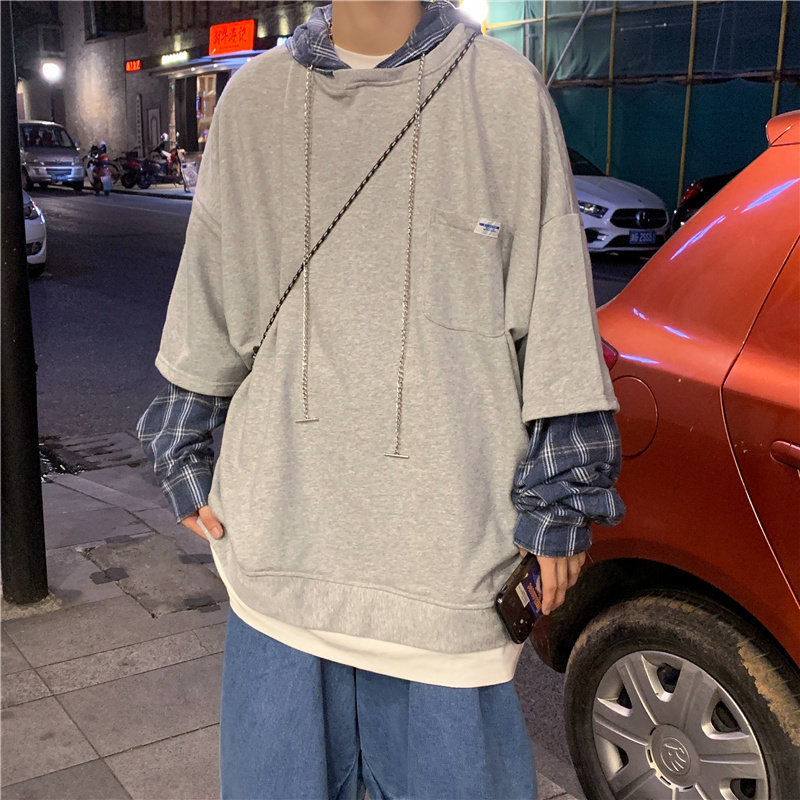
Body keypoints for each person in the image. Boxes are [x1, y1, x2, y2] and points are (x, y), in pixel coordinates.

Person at [137, 2, 625, 798]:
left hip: (446, 555)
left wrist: (565, 492)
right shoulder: (254, 100)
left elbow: (556, 308)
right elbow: (209, 288)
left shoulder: (502, 92)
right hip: (281, 543)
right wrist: (180, 439)